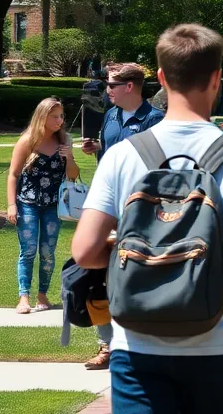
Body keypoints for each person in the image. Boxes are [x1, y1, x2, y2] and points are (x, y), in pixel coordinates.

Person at [71, 24, 223, 413]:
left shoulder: (121, 156)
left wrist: (137, 256)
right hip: (221, 340)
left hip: (138, 343)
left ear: (161, 77)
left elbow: (84, 251)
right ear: (217, 78)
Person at [79, 62, 164, 369]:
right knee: (97, 275)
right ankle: (107, 345)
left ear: (130, 87)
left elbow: (160, 167)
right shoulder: (110, 116)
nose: (107, 90)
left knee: (141, 276)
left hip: (143, 211)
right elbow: (110, 156)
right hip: (108, 208)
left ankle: (143, 344)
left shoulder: (156, 120)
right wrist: (96, 148)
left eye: (112, 85)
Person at [6, 97, 78, 314]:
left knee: (48, 252)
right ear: (42, 117)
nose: (60, 120)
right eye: (54, 116)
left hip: (53, 206)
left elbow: (73, 176)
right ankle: (23, 297)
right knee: (28, 251)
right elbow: (13, 175)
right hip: (27, 203)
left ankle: (42, 294)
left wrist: (70, 157)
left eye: (61, 116)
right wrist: (11, 205)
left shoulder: (64, 141)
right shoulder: (27, 141)